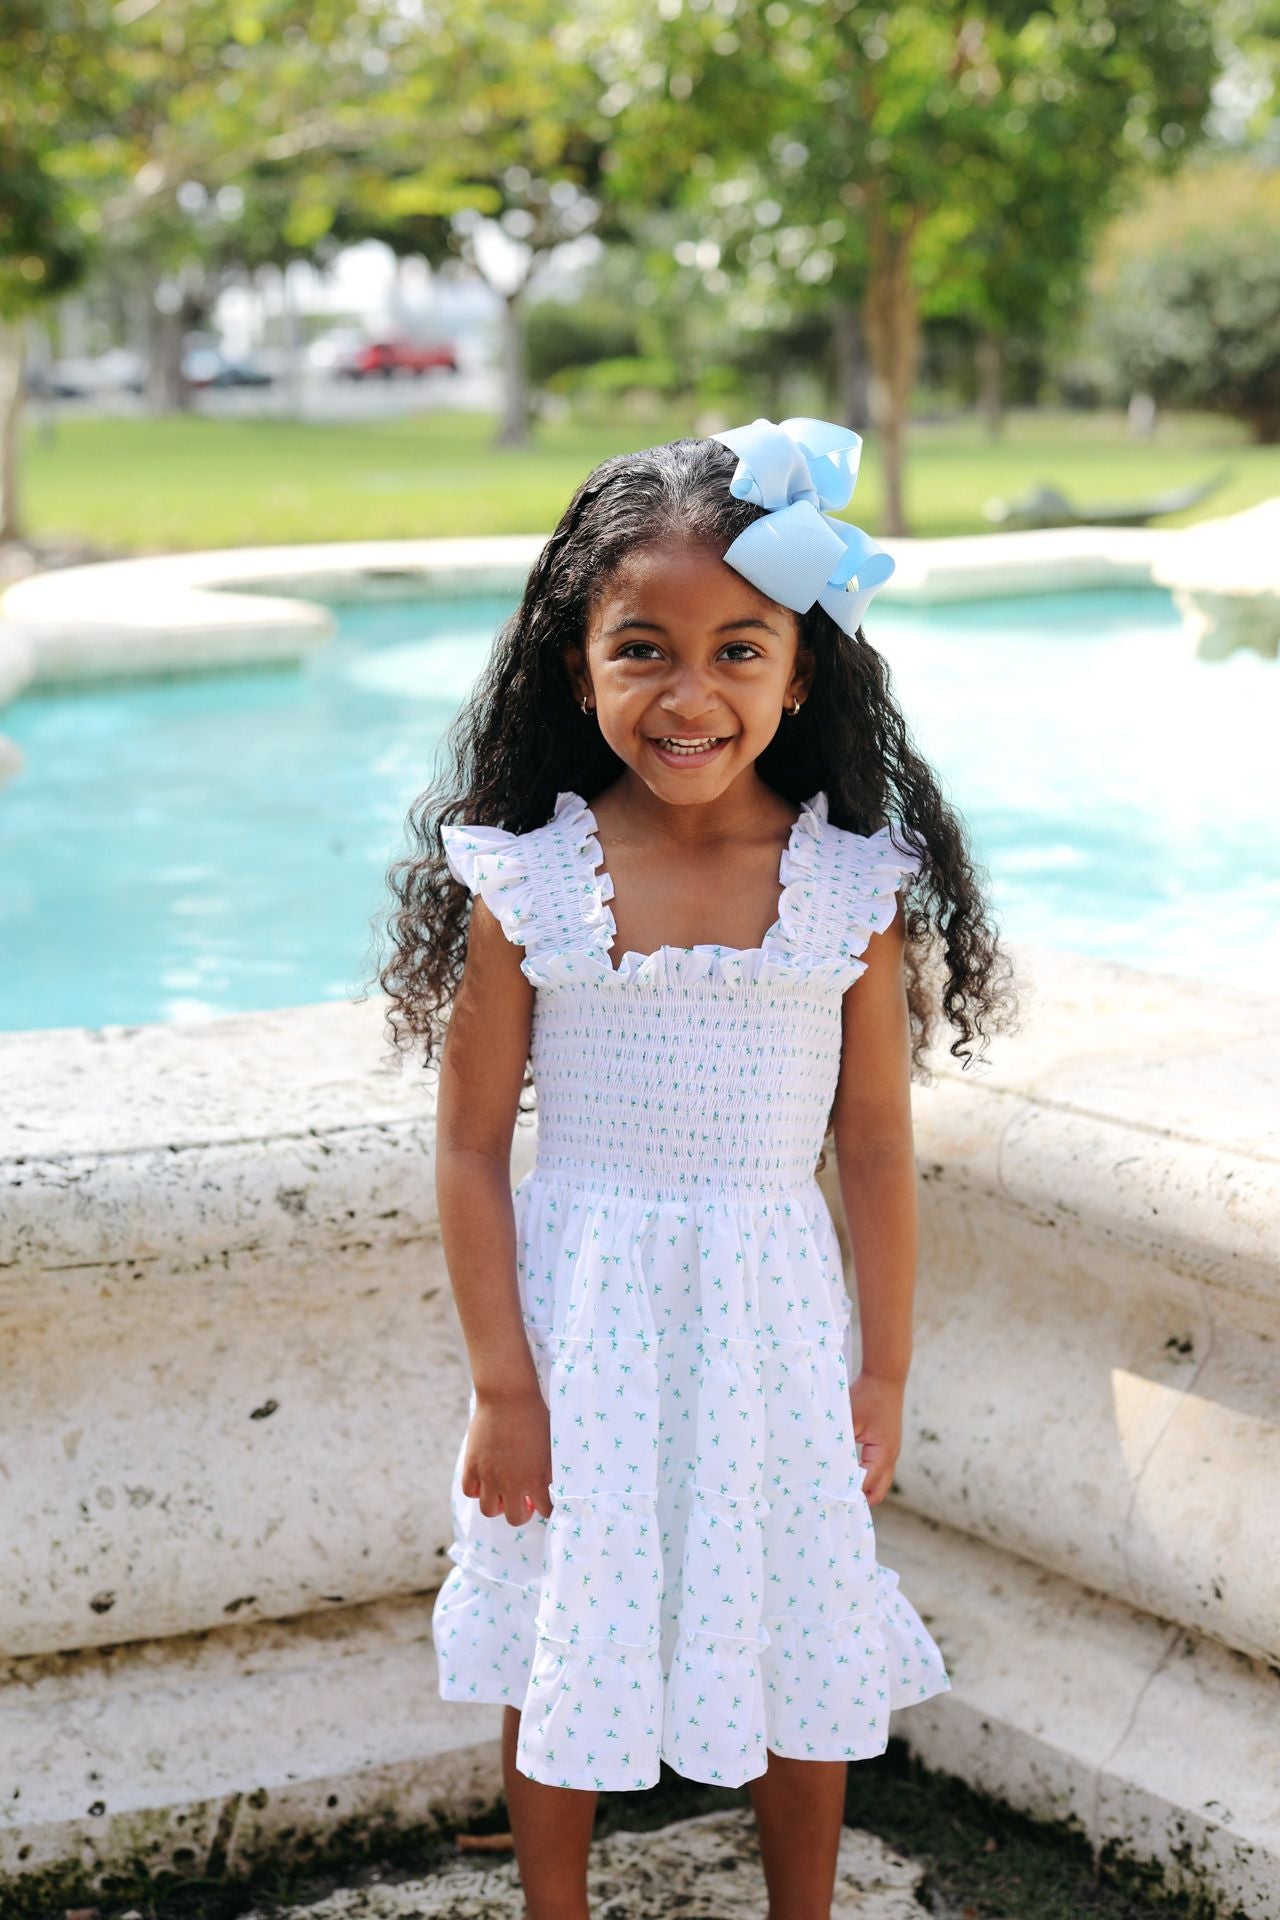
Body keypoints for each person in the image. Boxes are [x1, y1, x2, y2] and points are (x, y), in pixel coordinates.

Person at [377, 417, 1020, 1920]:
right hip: (580, 1326)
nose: (690, 693)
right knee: (569, 1626)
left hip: (773, 1324)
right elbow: (471, 1146)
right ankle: (555, 1907)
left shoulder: (848, 884)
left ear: (802, 672)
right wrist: (505, 1387)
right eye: (643, 649)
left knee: (800, 1614)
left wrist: (884, 1372)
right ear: (576, 666)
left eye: (739, 650)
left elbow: (872, 1144)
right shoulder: (528, 878)